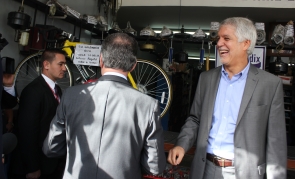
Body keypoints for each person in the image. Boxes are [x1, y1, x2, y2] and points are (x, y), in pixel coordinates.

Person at [167, 17, 286, 179]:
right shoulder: (206, 79)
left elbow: (276, 141)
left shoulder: (270, 84)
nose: (219, 43)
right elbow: (195, 119)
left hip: (245, 173)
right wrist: (182, 144)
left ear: (245, 44)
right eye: (219, 38)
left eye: (226, 38)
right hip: (205, 168)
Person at [43, 33, 166, 179]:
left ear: (101, 60)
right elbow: (155, 166)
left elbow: (51, 147)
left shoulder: (71, 95)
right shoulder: (148, 105)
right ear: (133, 66)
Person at [11, 48, 67, 179]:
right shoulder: (33, 91)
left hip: (50, 163)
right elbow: (27, 132)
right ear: (46, 65)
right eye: (60, 64)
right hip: (34, 166)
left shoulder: (57, 89)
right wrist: (33, 167)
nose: (64, 68)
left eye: (64, 64)